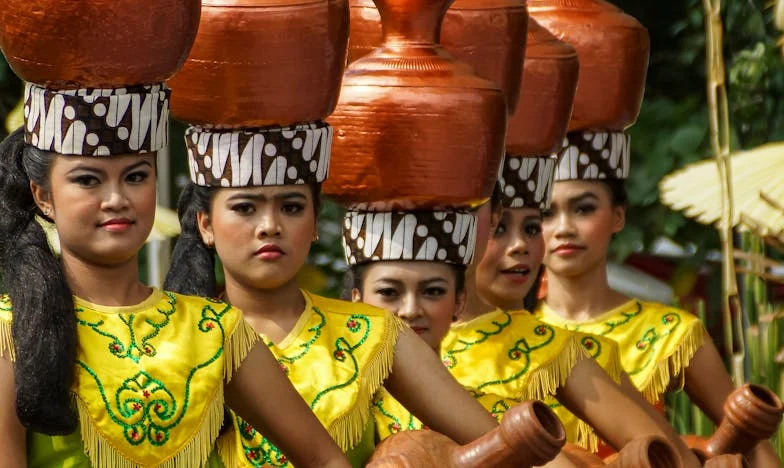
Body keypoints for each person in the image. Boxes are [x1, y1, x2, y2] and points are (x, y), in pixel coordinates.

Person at [0, 84, 350, 467]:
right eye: (88, 180)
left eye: (135, 177)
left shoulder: (216, 329)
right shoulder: (11, 329)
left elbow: (325, 459)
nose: (117, 198)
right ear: (42, 196)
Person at [165, 123, 500, 467]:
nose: (270, 225)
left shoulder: (372, 333)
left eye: (291, 207)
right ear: (205, 224)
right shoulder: (172, 338)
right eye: (245, 208)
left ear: (314, 224)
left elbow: (499, 443)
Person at [348, 160, 701, 466]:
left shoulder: (550, 349)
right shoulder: (337, 366)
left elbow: (671, 457)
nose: (410, 309)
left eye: (531, 227)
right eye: (389, 292)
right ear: (357, 299)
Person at [534, 137, 780, 465]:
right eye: (547, 214)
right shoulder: (512, 330)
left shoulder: (670, 331)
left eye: (583, 208)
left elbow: (752, 438)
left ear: (618, 217)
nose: (564, 227)